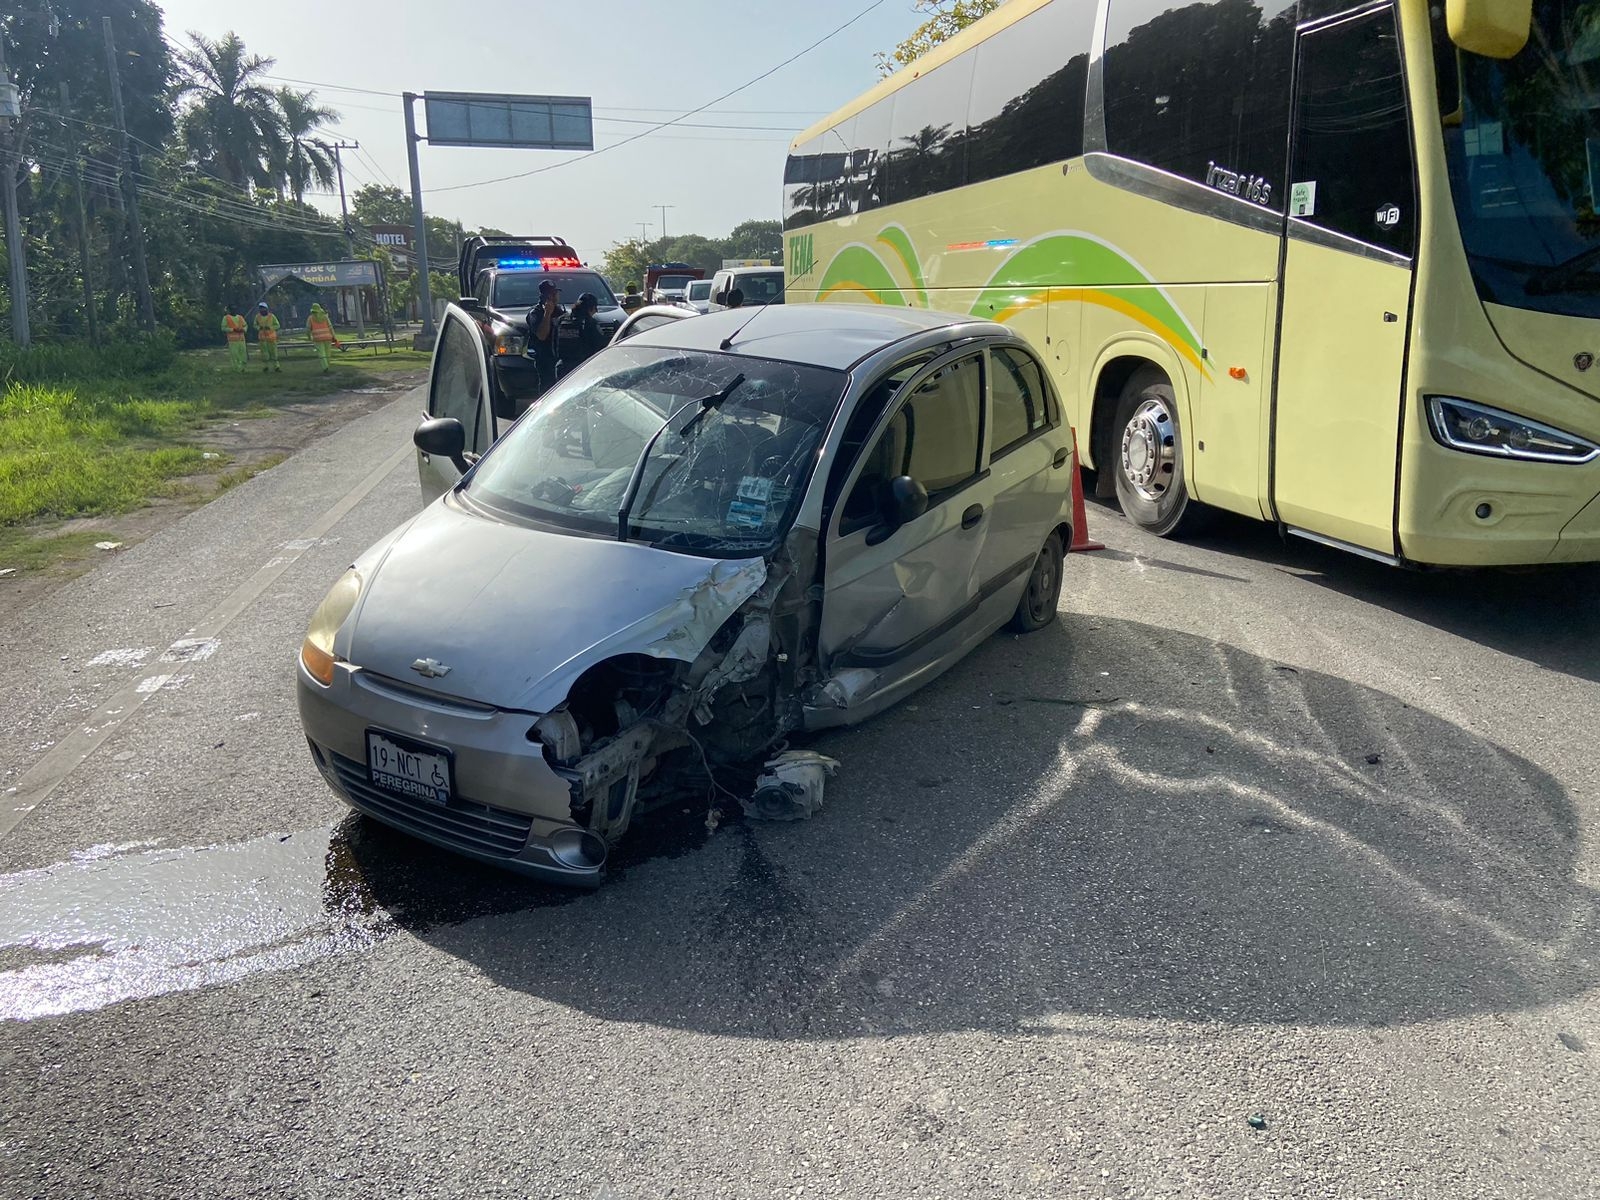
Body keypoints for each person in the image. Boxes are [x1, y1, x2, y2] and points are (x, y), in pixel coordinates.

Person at [526, 280, 565, 396]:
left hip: (559, 360)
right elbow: (542, 335)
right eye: (552, 294)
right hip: (545, 361)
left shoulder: (559, 311)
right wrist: (547, 314)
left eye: (556, 293)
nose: (556, 296)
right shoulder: (535, 313)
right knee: (547, 392)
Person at [557, 293, 606, 378]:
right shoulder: (590, 322)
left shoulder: (562, 319)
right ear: (590, 308)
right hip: (582, 368)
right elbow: (600, 344)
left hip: (562, 367)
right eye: (595, 308)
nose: (596, 311)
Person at [307, 302, 339, 372]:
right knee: (328, 352)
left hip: (317, 338)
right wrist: (334, 336)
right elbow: (330, 327)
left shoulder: (310, 318)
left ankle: (325, 366)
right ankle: (327, 364)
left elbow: (308, 329)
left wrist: (309, 337)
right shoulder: (325, 316)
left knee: (321, 353)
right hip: (328, 337)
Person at [254, 301, 281, 372]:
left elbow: (277, 325)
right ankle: (265, 366)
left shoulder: (272, 316)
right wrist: (259, 328)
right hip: (262, 339)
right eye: (260, 308)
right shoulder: (257, 316)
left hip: (271, 338)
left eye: (263, 308)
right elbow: (255, 325)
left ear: (266, 308)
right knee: (264, 354)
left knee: (274, 353)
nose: (261, 310)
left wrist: (270, 328)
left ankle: (276, 366)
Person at [221, 306, 248, 373]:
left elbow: (245, 325)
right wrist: (233, 329)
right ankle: (236, 369)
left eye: (234, 309)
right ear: (229, 310)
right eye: (232, 309)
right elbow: (223, 328)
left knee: (243, 354)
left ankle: (242, 368)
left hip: (241, 339)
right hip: (233, 340)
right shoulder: (226, 318)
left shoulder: (240, 317)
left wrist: (243, 330)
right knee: (234, 355)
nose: (233, 310)